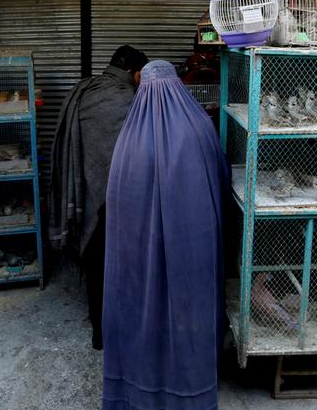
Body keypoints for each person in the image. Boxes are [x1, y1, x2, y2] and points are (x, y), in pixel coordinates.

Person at [102, 60, 227, 410]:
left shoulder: (130, 138)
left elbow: (117, 202)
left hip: (137, 255)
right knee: (188, 311)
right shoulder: (199, 125)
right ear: (180, 88)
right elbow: (220, 177)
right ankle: (190, 388)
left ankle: (139, 388)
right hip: (194, 247)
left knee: (142, 310)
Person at [49, 45, 149, 350]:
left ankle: (100, 332)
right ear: (134, 74)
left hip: (84, 195)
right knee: (125, 266)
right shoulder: (129, 100)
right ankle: (123, 328)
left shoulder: (83, 89)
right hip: (118, 200)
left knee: (95, 266)